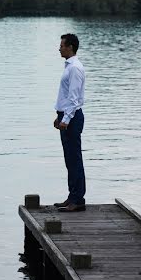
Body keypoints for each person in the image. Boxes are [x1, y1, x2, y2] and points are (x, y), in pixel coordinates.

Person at [53, 33, 86, 212]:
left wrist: (65, 119)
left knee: (74, 159)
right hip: (66, 117)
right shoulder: (69, 67)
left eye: (62, 45)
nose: (59, 48)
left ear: (70, 47)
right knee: (70, 159)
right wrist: (59, 116)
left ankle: (78, 200)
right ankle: (72, 196)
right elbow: (66, 96)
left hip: (72, 119)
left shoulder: (75, 68)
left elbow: (74, 99)